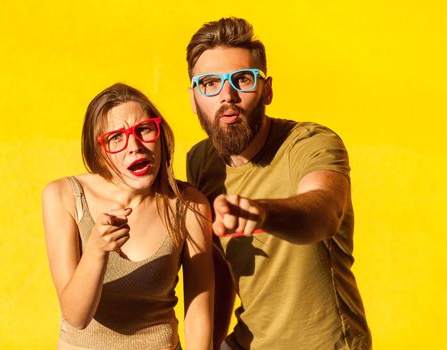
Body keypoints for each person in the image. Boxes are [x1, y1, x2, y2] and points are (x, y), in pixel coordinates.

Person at [185, 18, 372, 349]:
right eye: (210, 83)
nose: (227, 95)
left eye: (242, 79)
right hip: (250, 340)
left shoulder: (310, 143)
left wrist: (262, 214)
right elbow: (220, 267)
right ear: (194, 97)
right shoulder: (200, 161)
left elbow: (324, 212)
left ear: (267, 89)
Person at [42, 83, 214, 350]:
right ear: (97, 153)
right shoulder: (64, 196)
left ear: (160, 135)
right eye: (115, 138)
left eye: (144, 130)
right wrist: (96, 250)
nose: (134, 146)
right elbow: (76, 316)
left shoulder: (189, 206)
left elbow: (198, 314)